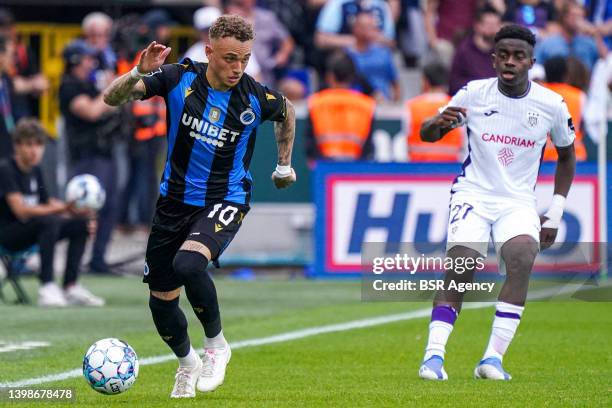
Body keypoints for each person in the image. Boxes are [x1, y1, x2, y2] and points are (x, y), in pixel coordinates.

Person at [102, 14, 296, 398]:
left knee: (188, 264)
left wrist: (284, 164)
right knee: (161, 303)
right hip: (173, 202)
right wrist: (136, 72)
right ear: (209, 52)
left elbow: (287, 112)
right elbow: (112, 97)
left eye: (243, 58)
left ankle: (217, 346)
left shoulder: (254, 96)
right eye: (228, 58)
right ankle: (187, 363)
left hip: (226, 198)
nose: (236, 67)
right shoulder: (178, 78)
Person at [418, 24, 576, 380]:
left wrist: (554, 212)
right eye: (503, 55)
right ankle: (433, 357)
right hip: (473, 192)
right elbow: (428, 134)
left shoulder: (551, 104)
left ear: (531, 62)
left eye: (518, 56)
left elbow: (567, 157)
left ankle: (492, 359)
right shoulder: (474, 93)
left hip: (518, 200)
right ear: (493, 60)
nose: (510, 62)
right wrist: (437, 124)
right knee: (462, 265)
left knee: (521, 258)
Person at [0, 118, 103, 307]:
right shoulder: (6, 169)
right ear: (17, 146)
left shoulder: (35, 171)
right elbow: (21, 211)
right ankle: (47, 286)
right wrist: (62, 208)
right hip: (7, 237)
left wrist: (75, 213)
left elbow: (48, 203)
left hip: (33, 231)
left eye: (39, 145)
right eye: (29, 144)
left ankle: (70, 286)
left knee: (79, 225)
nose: (34, 151)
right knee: (49, 221)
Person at [59, 40, 120, 274]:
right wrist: (113, 89)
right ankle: (75, 261)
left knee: (110, 206)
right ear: (75, 61)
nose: (90, 63)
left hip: (104, 152)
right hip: (87, 156)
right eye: (85, 58)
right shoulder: (69, 86)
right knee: (86, 208)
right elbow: (93, 111)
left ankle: (98, 259)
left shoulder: (88, 84)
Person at [305, 51, 375, 164]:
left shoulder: (315, 102)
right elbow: (368, 148)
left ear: (330, 76)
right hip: (355, 170)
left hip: (323, 170)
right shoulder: (367, 105)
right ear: (352, 77)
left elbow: (310, 144)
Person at [404, 62, 463, 162]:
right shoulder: (458, 106)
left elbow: (403, 139)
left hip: (417, 168)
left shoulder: (411, 106)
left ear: (425, 82)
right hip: (450, 168)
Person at [184, 6, 262, 81]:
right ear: (198, 32)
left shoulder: (239, 46)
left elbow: (256, 77)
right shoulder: (193, 53)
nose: (209, 34)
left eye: (214, 29)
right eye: (205, 30)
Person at [347, 11, 400, 102]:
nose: (370, 30)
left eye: (372, 27)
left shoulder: (384, 54)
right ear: (355, 29)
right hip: (356, 105)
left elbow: (395, 83)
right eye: (365, 27)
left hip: (382, 105)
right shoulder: (346, 56)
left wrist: (395, 103)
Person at [449, 7, 502, 95]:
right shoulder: (464, 51)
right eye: (489, 25)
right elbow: (454, 83)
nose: (493, 30)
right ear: (477, 26)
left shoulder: (501, 52)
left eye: (496, 25)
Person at [543, 56, 587, 161]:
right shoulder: (579, 96)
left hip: (542, 158)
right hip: (575, 157)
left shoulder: (536, 93)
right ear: (565, 73)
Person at [535, 1, 599, 71]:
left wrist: (595, 34)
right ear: (564, 17)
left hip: (583, 81)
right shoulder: (548, 43)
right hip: (554, 81)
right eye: (574, 16)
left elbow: (606, 63)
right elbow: (536, 67)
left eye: (581, 16)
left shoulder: (589, 44)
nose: (578, 20)